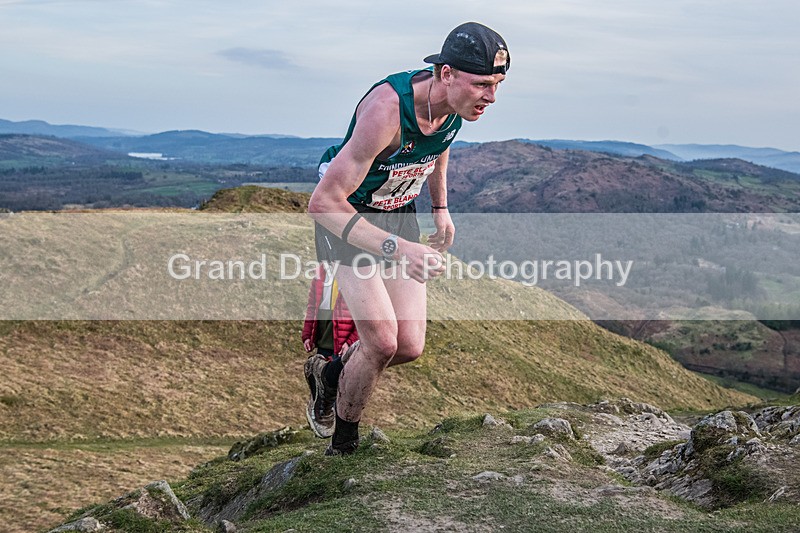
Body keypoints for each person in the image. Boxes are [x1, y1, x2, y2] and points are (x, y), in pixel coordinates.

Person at [305, 22, 510, 455]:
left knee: (410, 346)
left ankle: (328, 375)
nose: (491, 97)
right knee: (381, 341)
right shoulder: (386, 110)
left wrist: (441, 208)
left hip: (399, 213)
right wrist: (399, 248)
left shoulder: (457, 106)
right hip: (348, 215)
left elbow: (438, 146)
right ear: (447, 74)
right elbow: (322, 203)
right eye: (483, 85)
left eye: (498, 85)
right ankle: (343, 447)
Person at [302, 262, 359, 438]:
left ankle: (336, 427)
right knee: (325, 381)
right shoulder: (321, 272)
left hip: (341, 341)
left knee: (339, 384)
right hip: (324, 336)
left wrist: (350, 341)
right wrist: (307, 335)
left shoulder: (355, 275)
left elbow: (361, 315)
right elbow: (313, 306)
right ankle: (322, 417)